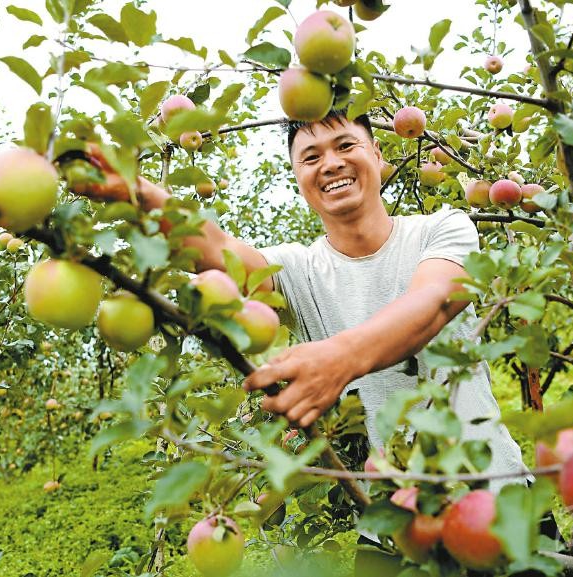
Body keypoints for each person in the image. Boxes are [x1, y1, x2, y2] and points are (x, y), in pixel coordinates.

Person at [74, 109, 546, 569]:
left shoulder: (442, 227)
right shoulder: (297, 269)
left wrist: (340, 358)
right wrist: (139, 192)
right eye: (311, 156)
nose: (331, 164)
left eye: (345, 146)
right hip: (393, 520)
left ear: (378, 155)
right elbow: (219, 252)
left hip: (491, 496)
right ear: (298, 177)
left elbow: (435, 301)